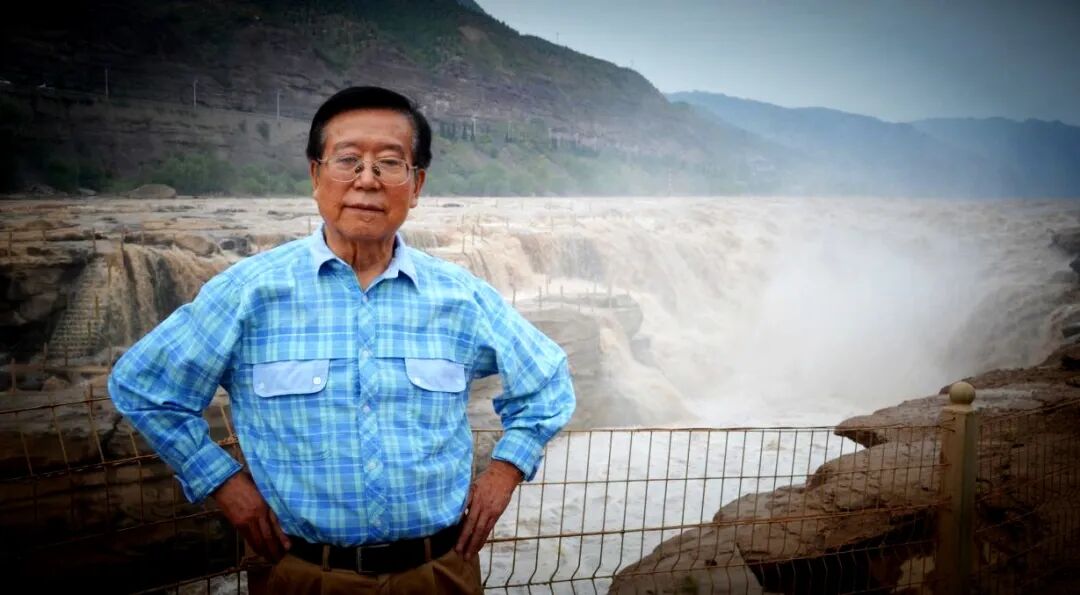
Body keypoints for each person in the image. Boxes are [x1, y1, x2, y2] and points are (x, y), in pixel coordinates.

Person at [108, 86, 576, 594]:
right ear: (316, 176)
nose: (367, 180)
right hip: (302, 574)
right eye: (348, 160)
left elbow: (547, 378)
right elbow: (144, 385)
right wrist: (221, 481)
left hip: (438, 573)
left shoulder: (461, 297)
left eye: (389, 163)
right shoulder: (248, 293)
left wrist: (505, 471)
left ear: (416, 184)